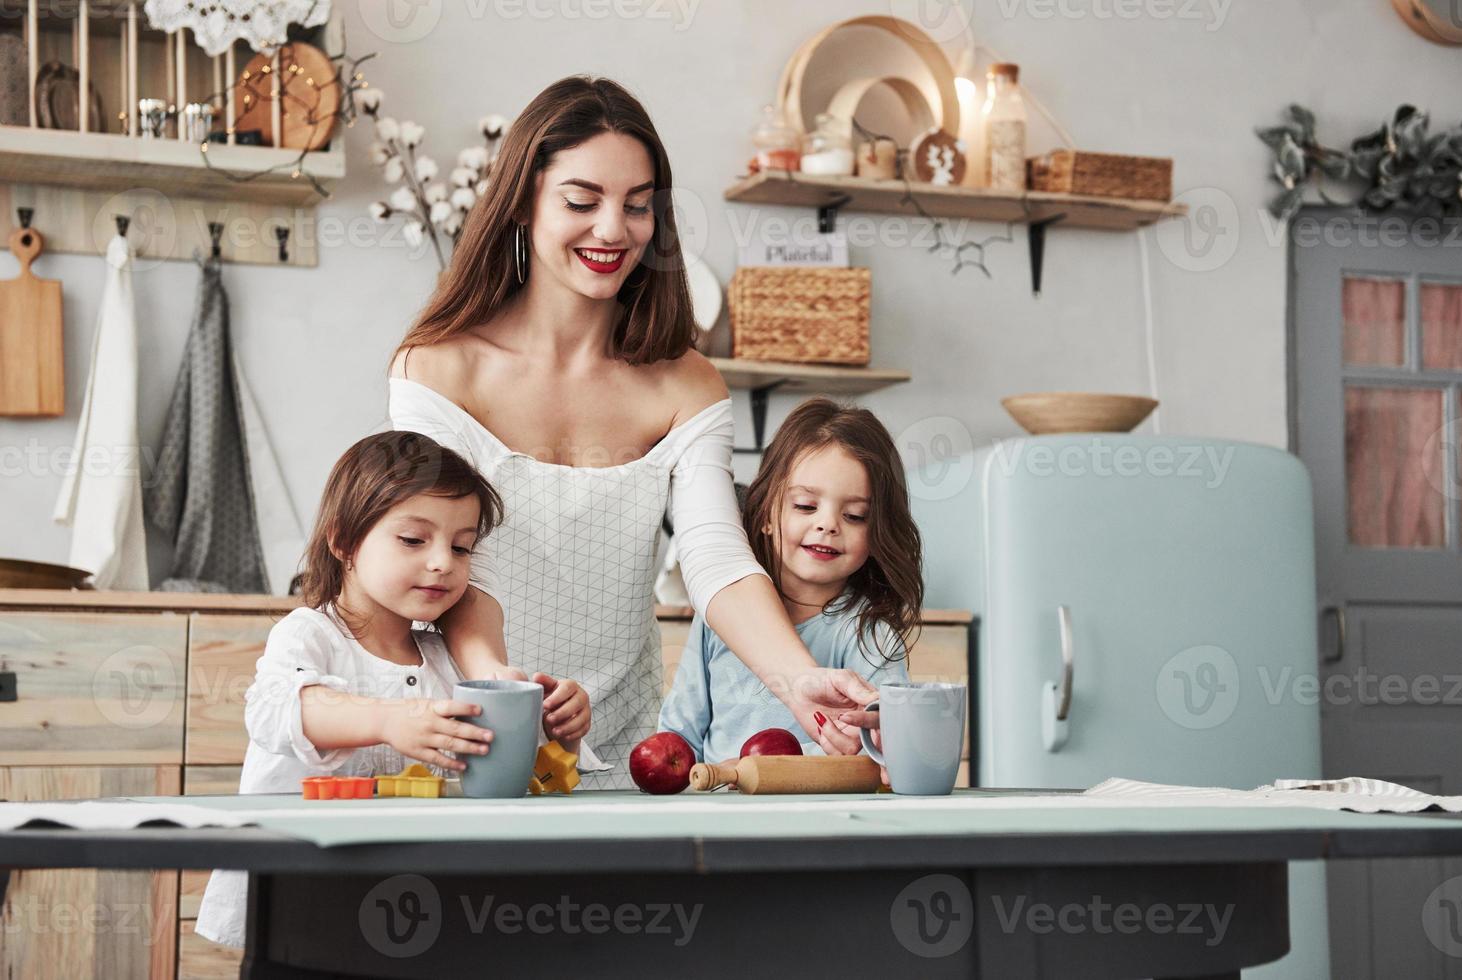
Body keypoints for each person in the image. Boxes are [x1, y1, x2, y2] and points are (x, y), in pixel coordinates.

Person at [388, 75, 880, 788]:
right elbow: (439, 561)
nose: (613, 230)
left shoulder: (685, 385)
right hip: (461, 730)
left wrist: (796, 679)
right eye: (581, 201)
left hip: (622, 750)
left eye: (637, 206)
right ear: (523, 204)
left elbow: (714, 553)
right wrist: (502, 689)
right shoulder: (437, 371)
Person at [193, 431, 592, 946]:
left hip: (417, 910)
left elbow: (519, 775)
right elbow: (274, 709)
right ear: (343, 541)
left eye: (461, 546)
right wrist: (386, 720)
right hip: (302, 901)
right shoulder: (311, 633)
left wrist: (561, 732)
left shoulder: (449, 659)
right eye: (413, 540)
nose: (442, 562)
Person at [658, 398, 923, 763]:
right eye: (805, 506)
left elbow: (890, 743)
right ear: (766, 514)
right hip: (717, 812)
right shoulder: (719, 619)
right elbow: (679, 732)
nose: (828, 524)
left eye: (855, 515)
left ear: (877, 533)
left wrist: (860, 747)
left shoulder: (868, 635)